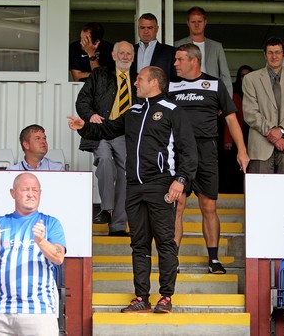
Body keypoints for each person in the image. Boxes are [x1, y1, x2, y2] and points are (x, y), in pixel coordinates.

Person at [68, 66, 198, 313]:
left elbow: (189, 151)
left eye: (139, 80)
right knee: (139, 244)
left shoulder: (173, 111)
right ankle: (141, 296)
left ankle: (166, 297)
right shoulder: (133, 112)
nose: (134, 84)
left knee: (165, 243)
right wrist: (83, 126)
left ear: (154, 82)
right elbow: (106, 129)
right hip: (134, 188)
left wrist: (180, 180)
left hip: (161, 185)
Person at [168, 43, 249, 274]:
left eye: (179, 59)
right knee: (177, 205)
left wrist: (242, 151)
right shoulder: (172, 85)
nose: (175, 64)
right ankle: (172, 260)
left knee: (208, 205)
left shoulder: (214, 84)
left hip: (206, 150)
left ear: (194, 61)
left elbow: (232, 119)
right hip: (179, 151)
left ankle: (213, 259)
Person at [0, 172, 66, 336]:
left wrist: (41, 241)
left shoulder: (50, 223)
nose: (31, 194)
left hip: (38, 312)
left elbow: (59, 257)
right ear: (13, 193)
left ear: (40, 193)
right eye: (25, 189)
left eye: (35, 190)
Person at [76, 40, 135, 235]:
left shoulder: (138, 79)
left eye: (129, 53)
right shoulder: (100, 74)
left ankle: (118, 225)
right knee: (104, 161)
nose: (125, 56)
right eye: (122, 53)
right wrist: (90, 115)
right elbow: (83, 99)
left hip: (124, 133)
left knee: (126, 175)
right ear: (113, 55)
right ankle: (107, 209)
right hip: (101, 130)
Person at [243, 37, 284, 174]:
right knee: (261, 193)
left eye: (277, 52)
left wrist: (281, 131)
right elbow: (250, 112)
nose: (274, 56)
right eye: (270, 52)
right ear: (264, 54)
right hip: (261, 146)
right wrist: (273, 132)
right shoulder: (251, 79)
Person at [174, 6, 233, 96]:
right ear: (188, 23)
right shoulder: (177, 45)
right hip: (185, 92)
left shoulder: (216, 46)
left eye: (199, 21)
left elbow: (225, 77)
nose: (196, 25)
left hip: (211, 91)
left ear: (205, 22)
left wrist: (226, 102)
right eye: (193, 22)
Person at [218, 65, 253, 193]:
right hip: (234, 137)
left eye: (248, 75)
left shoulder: (253, 92)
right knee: (231, 165)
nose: (245, 78)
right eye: (243, 75)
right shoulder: (234, 92)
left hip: (250, 134)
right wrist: (228, 139)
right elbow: (231, 119)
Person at [131, 13, 176, 82]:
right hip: (134, 92)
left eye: (150, 28)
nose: (146, 31)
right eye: (142, 27)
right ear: (138, 29)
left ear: (157, 29)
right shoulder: (130, 51)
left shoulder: (170, 52)